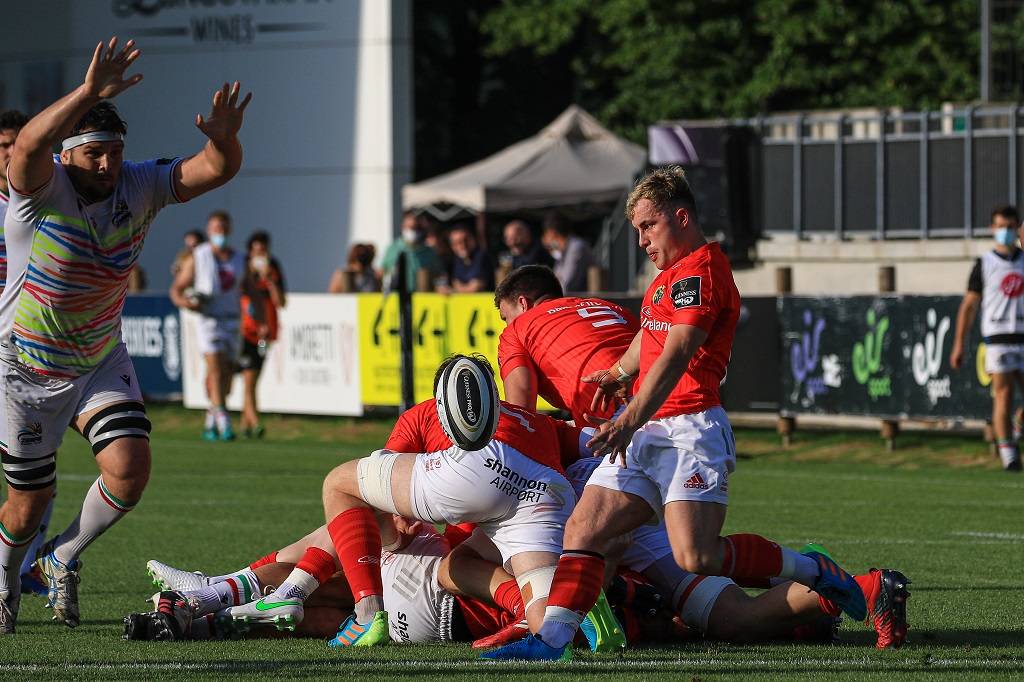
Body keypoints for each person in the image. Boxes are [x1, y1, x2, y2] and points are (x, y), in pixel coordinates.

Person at [483, 166, 865, 661]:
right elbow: (649, 336)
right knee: (584, 530)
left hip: (689, 431)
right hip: (648, 433)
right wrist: (618, 371)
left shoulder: (702, 272)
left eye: (647, 227)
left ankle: (814, 571)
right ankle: (551, 641)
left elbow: (678, 352)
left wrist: (628, 417)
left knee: (697, 555)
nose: (641, 240)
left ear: (680, 217)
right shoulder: (667, 276)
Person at [0, 36, 251, 634]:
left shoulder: (138, 184)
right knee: (28, 504)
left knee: (129, 470)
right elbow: (28, 145)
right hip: (26, 366)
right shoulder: (36, 194)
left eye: (116, 152)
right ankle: (6, 576)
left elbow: (214, 168)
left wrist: (221, 139)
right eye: (95, 155)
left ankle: (61, 557)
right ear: (66, 157)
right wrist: (86, 91)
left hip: (97, 359)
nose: (110, 166)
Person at [244, 355, 585, 648]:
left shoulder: (424, 415)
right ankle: (548, 615)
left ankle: (322, 602)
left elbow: (388, 500)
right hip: (539, 496)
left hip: (441, 570)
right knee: (549, 618)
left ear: (442, 402)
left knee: (342, 490)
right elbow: (591, 444)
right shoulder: (541, 423)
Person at [495, 265, 637, 424]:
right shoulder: (613, 308)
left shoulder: (516, 329)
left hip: (620, 417)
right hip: (662, 393)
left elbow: (521, 418)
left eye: (505, 317)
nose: (506, 325)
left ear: (523, 303)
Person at [950, 204, 1024, 472]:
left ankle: (1018, 426)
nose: (1005, 231)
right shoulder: (984, 264)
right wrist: (959, 343)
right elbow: (969, 306)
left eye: (1010, 226)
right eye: (1000, 226)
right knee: (1003, 395)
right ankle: (1009, 454)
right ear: (992, 228)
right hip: (998, 336)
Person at [171, 210, 247, 441]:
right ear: (208, 230)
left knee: (226, 374)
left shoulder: (239, 259)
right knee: (215, 368)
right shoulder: (199, 256)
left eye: (223, 228)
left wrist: (261, 317)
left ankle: (210, 418)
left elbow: (249, 288)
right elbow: (177, 288)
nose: (219, 233)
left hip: (232, 320)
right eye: (215, 228)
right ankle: (224, 420)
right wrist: (186, 302)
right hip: (209, 320)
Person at [238, 231, 286, 438]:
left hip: (266, 334)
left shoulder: (272, 269)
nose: (260, 254)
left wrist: (269, 279)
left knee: (254, 378)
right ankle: (255, 422)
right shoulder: (242, 270)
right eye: (256, 250)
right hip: (246, 330)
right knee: (249, 378)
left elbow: (281, 302)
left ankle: (244, 424)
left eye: (263, 250)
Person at [381, 211, 441, 292]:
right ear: (403, 227)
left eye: (416, 228)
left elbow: (439, 275)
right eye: (410, 228)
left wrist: (440, 285)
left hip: (421, 299)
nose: (413, 231)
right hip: (397, 297)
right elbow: (381, 271)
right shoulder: (393, 249)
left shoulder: (429, 252)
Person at [542, 212, 595, 293]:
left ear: (551, 233)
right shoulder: (562, 250)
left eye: (545, 234)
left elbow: (566, 286)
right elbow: (555, 279)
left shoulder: (576, 247)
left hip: (582, 301)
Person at [447, 224, 494, 292]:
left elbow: (475, 287)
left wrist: (453, 290)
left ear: (473, 239)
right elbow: (455, 283)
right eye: (457, 243)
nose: (463, 245)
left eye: (466, 240)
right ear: (452, 246)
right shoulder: (456, 260)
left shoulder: (482, 256)